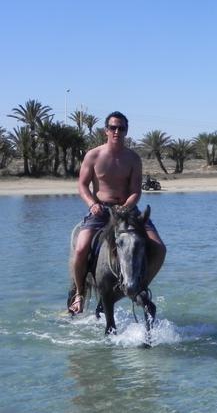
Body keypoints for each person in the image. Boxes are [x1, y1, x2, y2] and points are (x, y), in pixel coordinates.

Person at [68, 111, 166, 314]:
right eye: (113, 127)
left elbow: (136, 191)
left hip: (128, 210)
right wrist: (91, 203)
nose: (117, 131)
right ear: (106, 130)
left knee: (159, 248)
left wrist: (128, 206)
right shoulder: (93, 155)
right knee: (80, 248)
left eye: (121, 128)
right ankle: (79, 293)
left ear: (126, 131)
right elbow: (82, 185)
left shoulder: (132, 158)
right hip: (101, 209)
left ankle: (140, 285)